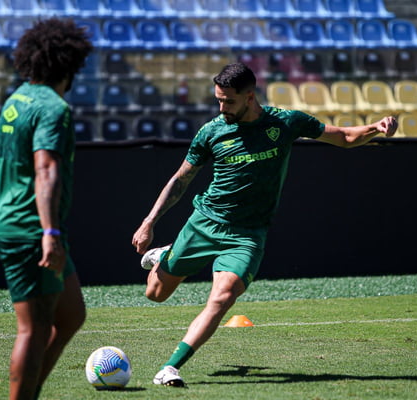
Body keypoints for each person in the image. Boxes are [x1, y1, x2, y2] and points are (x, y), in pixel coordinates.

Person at [132, 62, 398, 387]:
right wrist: (149, 222)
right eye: (218, 100)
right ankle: (166, 255)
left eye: (228, 101)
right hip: (204, 223)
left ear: (249, 96)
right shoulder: (212, 131)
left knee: (222, 297)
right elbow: (180, 180)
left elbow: (343, 137)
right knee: (155, 294)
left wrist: (376, 127)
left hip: (247, 235)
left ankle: (170, 368)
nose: (222, 107)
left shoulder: (285, 122)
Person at [0, 18, 93, 400]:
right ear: (70, 63)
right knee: (33, 328)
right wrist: (49, 232)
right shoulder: (54, 108)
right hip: (32, 230)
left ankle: (31, 392)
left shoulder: (16, 100)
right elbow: (46, 168)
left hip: (11, 221)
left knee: (70, 316)